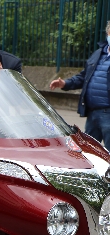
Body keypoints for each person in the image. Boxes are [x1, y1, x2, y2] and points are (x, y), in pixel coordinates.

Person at [50, 21, 110, 151]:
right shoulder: (99, 54)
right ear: (107, 33)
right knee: (90, 151)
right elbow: (84, 77)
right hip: (92, 112)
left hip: (108, 113)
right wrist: (65, 83)